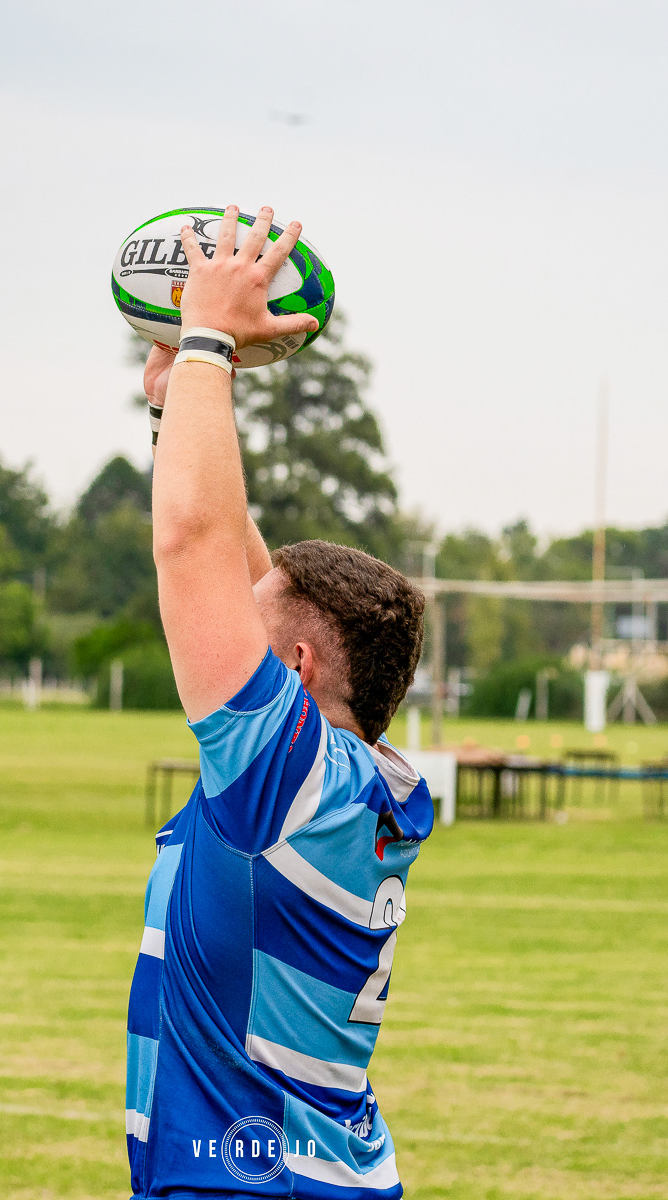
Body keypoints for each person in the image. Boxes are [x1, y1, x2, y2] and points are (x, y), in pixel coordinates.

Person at [124, 206, 432, 1199]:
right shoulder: (355, 780)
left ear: (294, 669)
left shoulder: (289, 779)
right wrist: (180, 411)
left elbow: (194, 546)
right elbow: (232, 553)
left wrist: (210, 336)